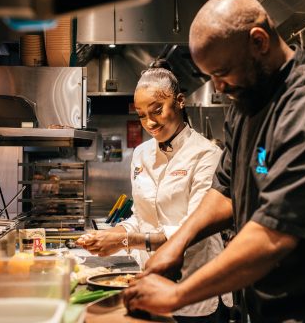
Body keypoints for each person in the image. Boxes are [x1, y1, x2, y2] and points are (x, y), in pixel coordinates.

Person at [123, 0, 305, 322]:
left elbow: (274, 236)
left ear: (258, 41)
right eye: (210, 76)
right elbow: (225, 190)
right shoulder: (246, 104)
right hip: (277, 305)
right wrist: (178, 243)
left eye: (223, 72)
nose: (217, 87)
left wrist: (177, 295)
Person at [77, 63, 233, 322]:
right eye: (140, 114)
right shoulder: (140, 154)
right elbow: (140, 217)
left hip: (196, 288)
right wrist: (108, 236)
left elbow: (191, 229)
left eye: (157, 110)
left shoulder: (206, 154)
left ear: (180, 101)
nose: (149, 122)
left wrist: (123, 242)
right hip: (149, 284)